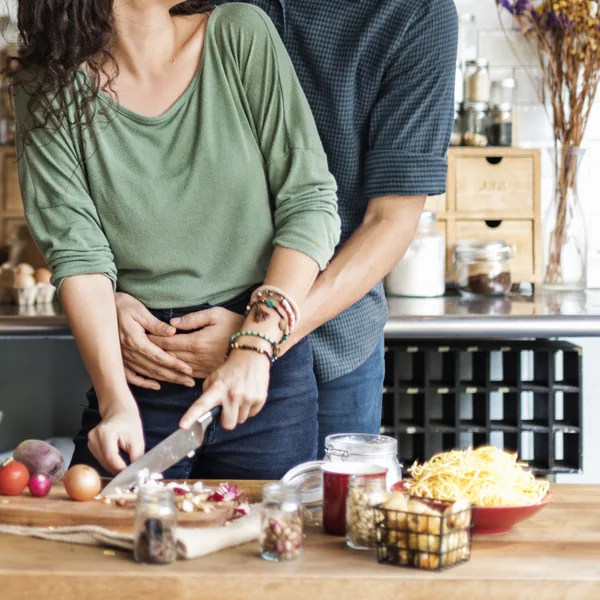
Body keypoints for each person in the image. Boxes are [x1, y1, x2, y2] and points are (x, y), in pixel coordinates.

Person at [9, 0, 341, 479]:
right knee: (114, 546)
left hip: (263, 365)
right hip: (142, 371)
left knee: (262, 547)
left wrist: (254, 346)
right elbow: (77, 255)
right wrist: (115, 401)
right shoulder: (45, 85)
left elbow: (309, 200)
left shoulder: (239, 34)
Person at [115, 0, 459, 457]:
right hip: (172, 342)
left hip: (328, 342)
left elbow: (390, 221)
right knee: (155, 524)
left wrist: (257, 337)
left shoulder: (418, 13)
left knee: (314, 525)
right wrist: (106, 297)